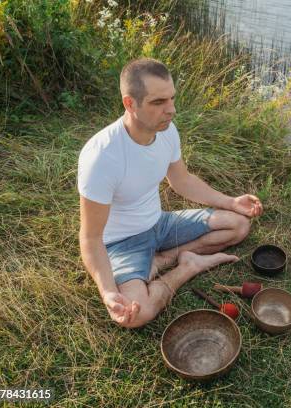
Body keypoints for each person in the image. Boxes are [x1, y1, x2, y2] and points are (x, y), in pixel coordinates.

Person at [77, 58, 263, 328]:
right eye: (158, 102)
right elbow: (91, 238)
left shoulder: (166, 131)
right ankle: (187, 267)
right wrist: (107, 291)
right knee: (134, 316)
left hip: (160, 224)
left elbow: (182, 180)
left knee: (238, 224)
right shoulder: (102, 157)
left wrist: (231, 202)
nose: (172, 110)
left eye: (172, 99)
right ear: (130, 103)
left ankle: (162, 260)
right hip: (123, 243)